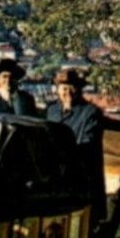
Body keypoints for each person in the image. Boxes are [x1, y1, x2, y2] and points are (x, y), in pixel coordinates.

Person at [45, 67, 106, 223]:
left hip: (80, 175)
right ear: (57, 90)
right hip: (55, 172)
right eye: (64, 88)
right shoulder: (52, 111)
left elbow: (87, 145)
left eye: (72, 87)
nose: (68, 92)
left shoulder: (90, 113)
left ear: (78, 89)